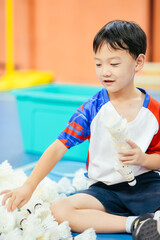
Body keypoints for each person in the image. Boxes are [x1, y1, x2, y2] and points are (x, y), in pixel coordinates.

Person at [1, 20, 160, 240]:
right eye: (98, 64)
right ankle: (136, 224)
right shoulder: (92, 108)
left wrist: (143, 159)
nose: (105, 71)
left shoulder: (153, 112)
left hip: (146, 186)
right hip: (104, 191)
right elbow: (59, 146)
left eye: (114, 64)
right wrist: (29, 186)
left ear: (138, 62)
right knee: (59, 210)